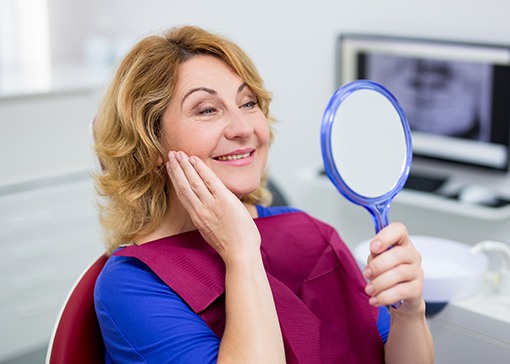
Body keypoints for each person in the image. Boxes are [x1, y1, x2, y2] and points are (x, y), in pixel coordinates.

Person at [93, 25, 434, 363]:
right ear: (150, 143)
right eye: (207, 109)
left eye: (248, 103)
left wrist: (410, 313)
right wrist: (241, 253)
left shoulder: (311, 235)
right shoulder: (132, 285)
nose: (243, 128)